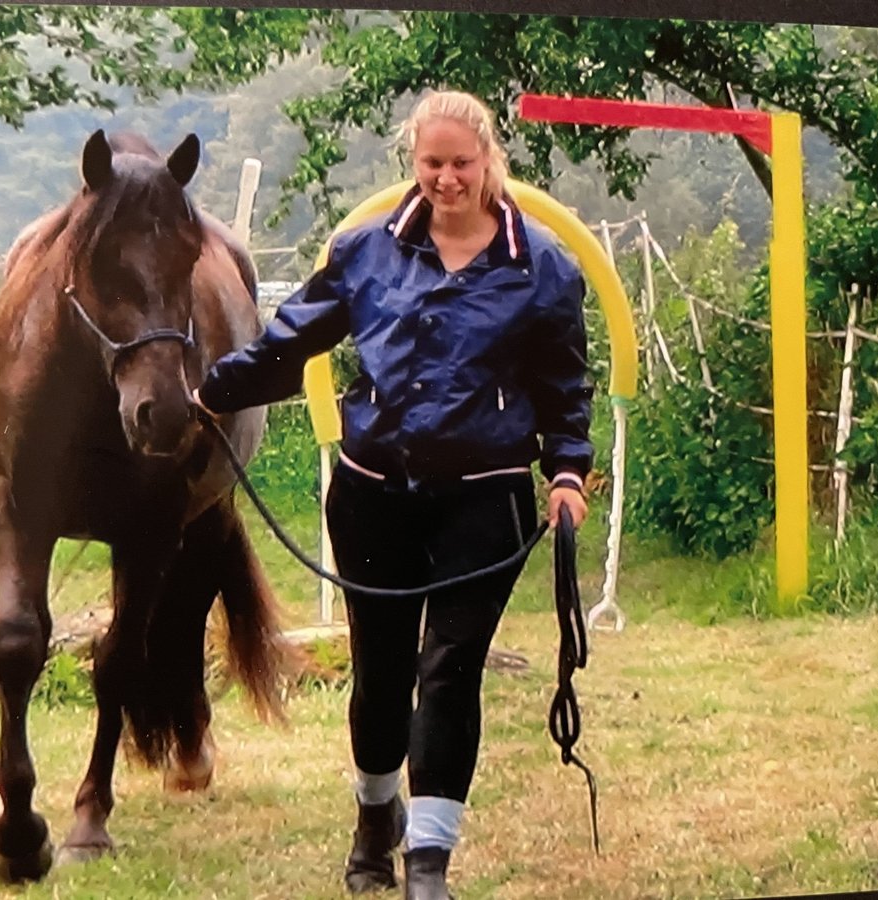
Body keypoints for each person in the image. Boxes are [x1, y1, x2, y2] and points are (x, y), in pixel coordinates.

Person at [192, 89, 592, 898]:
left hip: (486, 501)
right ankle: (377, 817)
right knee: (381, 672)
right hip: (373, 495)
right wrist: (210, 393)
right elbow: (290, 342)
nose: (447, 179)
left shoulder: (543, 265)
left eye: (461, 164)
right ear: (415, 163)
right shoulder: (365, 250)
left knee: (450, 668)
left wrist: (570, 471)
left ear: (488, 163)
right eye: (432, 163)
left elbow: (563, 384)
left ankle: (428, 864)